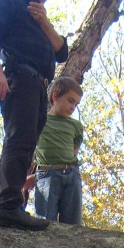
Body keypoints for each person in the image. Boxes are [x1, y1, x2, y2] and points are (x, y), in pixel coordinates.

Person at [0, 0, 68, 231]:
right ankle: (9, 205)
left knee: (23, 144)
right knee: (20, 140)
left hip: (40, 87)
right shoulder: (8, 0)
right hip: (19, 76)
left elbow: (62, 51)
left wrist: (43, 21)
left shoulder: (42, 23)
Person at [29, 75, 84, 224]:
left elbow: (73, 151)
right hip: (46, 175)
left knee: (73, 227)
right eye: (70, 101)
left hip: (71, 175)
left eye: (76, 104)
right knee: (45, 223)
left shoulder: (76, 126)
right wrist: (31, 177)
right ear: (55, 96)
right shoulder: (39, 121)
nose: (73, 107)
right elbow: (29, 149)